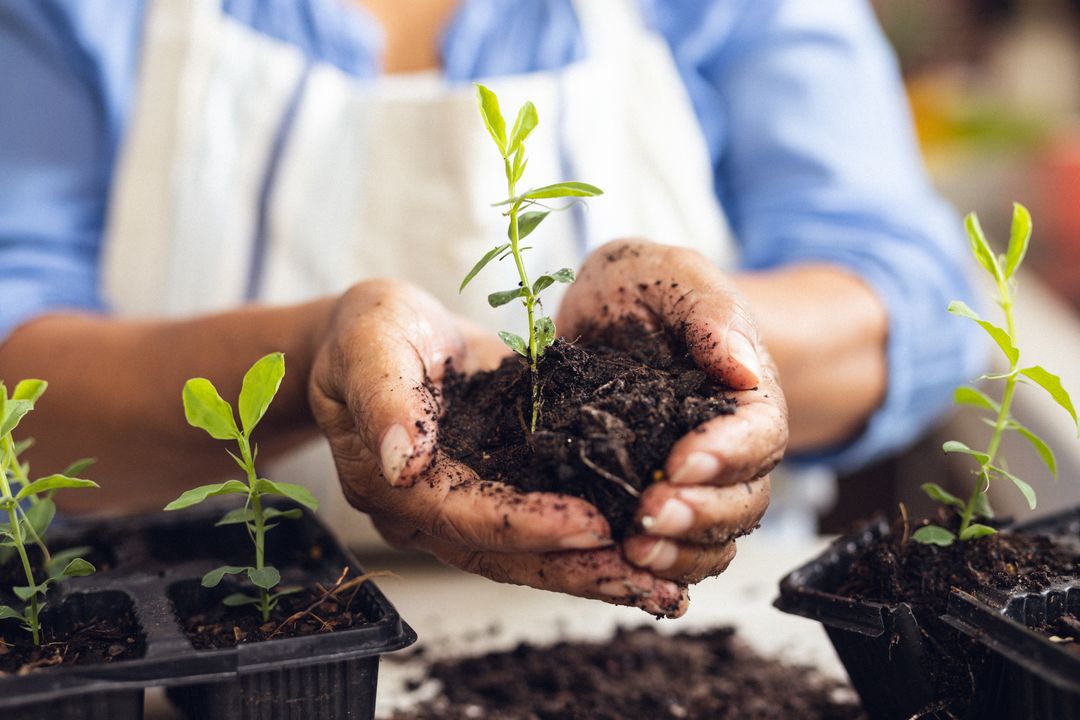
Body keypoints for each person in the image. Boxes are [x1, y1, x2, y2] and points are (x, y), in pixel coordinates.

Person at [0, 0, 981, 617]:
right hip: (219, 636)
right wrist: (313, 355)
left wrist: (713, 365)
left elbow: (908, 286)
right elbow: (18, 356)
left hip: (670, 637)